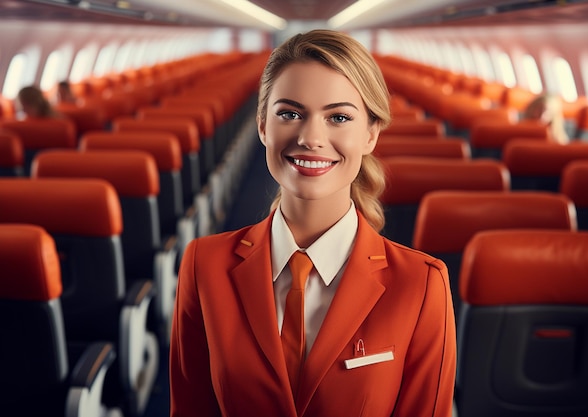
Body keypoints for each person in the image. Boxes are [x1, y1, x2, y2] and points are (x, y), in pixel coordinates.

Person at [170, 29, 456, 417]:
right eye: (290, 114)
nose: (310, 137)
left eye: (338, 117)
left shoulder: (421, 285)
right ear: (262, 126)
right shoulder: (204, 264)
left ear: (370, 134)